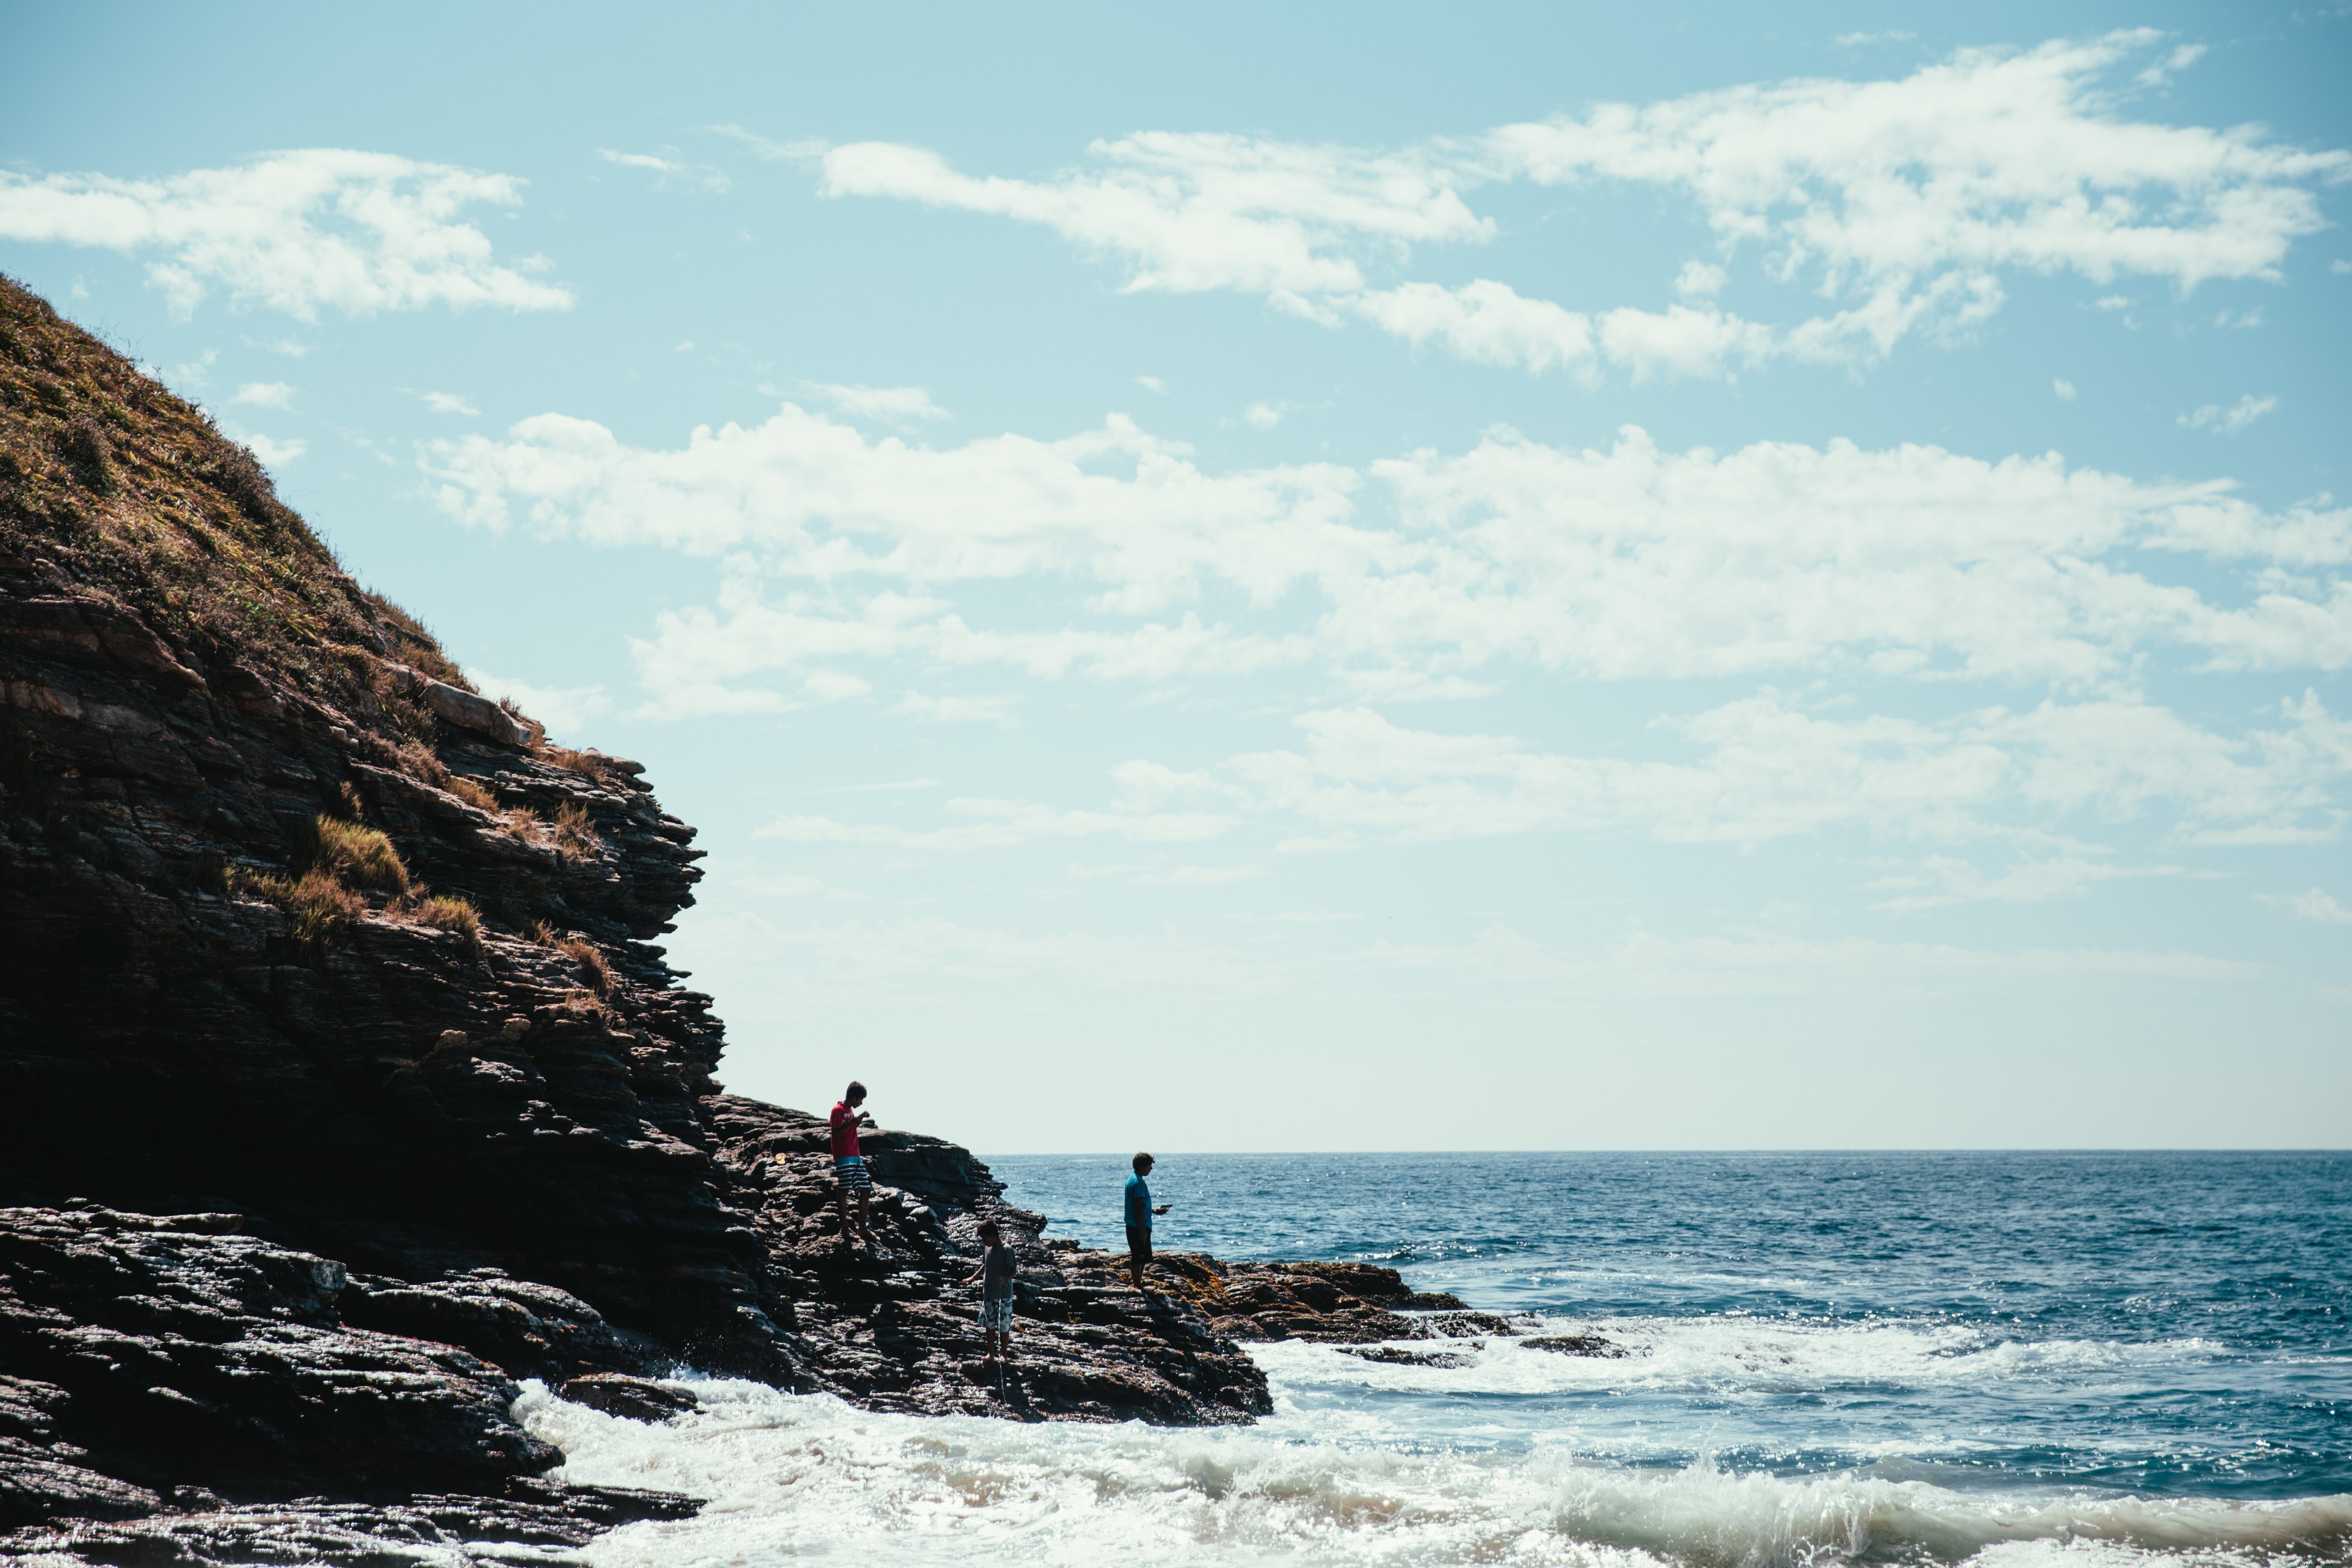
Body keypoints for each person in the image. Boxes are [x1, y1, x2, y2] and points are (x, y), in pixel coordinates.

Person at [965, 1219, 1018, 1371]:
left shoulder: (1007, 1249)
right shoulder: (987, 1248)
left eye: (985, 1239)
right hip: (988, 1292)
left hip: (1004, 1294)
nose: (984, 1242)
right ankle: (991, 1354)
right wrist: (972, 1278)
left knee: (1004, 1325)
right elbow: (985, 1265)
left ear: (994, 1236)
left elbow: (1013, 1271)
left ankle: (1004, 1354)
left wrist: (1003, 1278)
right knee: (990, 1324)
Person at [830, 1081, 875, 1247]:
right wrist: (853, 1121)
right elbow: (836, 1135)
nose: (861, 1103)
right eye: (860, 1100)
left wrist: (859, 1119)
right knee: (844, 1190)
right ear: (854, 1098)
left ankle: (862, 1228)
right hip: (844, 1157)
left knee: (865, 1189)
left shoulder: (849, 1111)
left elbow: (850, 1127)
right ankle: (845, 1229)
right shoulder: (838, 1111)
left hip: (855, 1156)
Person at [1123, 1152, 1170, 1291]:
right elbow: (1138, 1207)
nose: (1151, 1169)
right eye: (1149, 1166)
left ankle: (1138, 1283)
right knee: (1138, 1256)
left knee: (1142, 1257)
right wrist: (1143, 1230)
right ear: (1142, 1166)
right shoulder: (1138, 1183)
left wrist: (1154, 1211)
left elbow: (1140, 1206)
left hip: (1137, 1225)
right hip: (1138, 1227)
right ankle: (1137, 1285)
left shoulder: (1134, 1179)